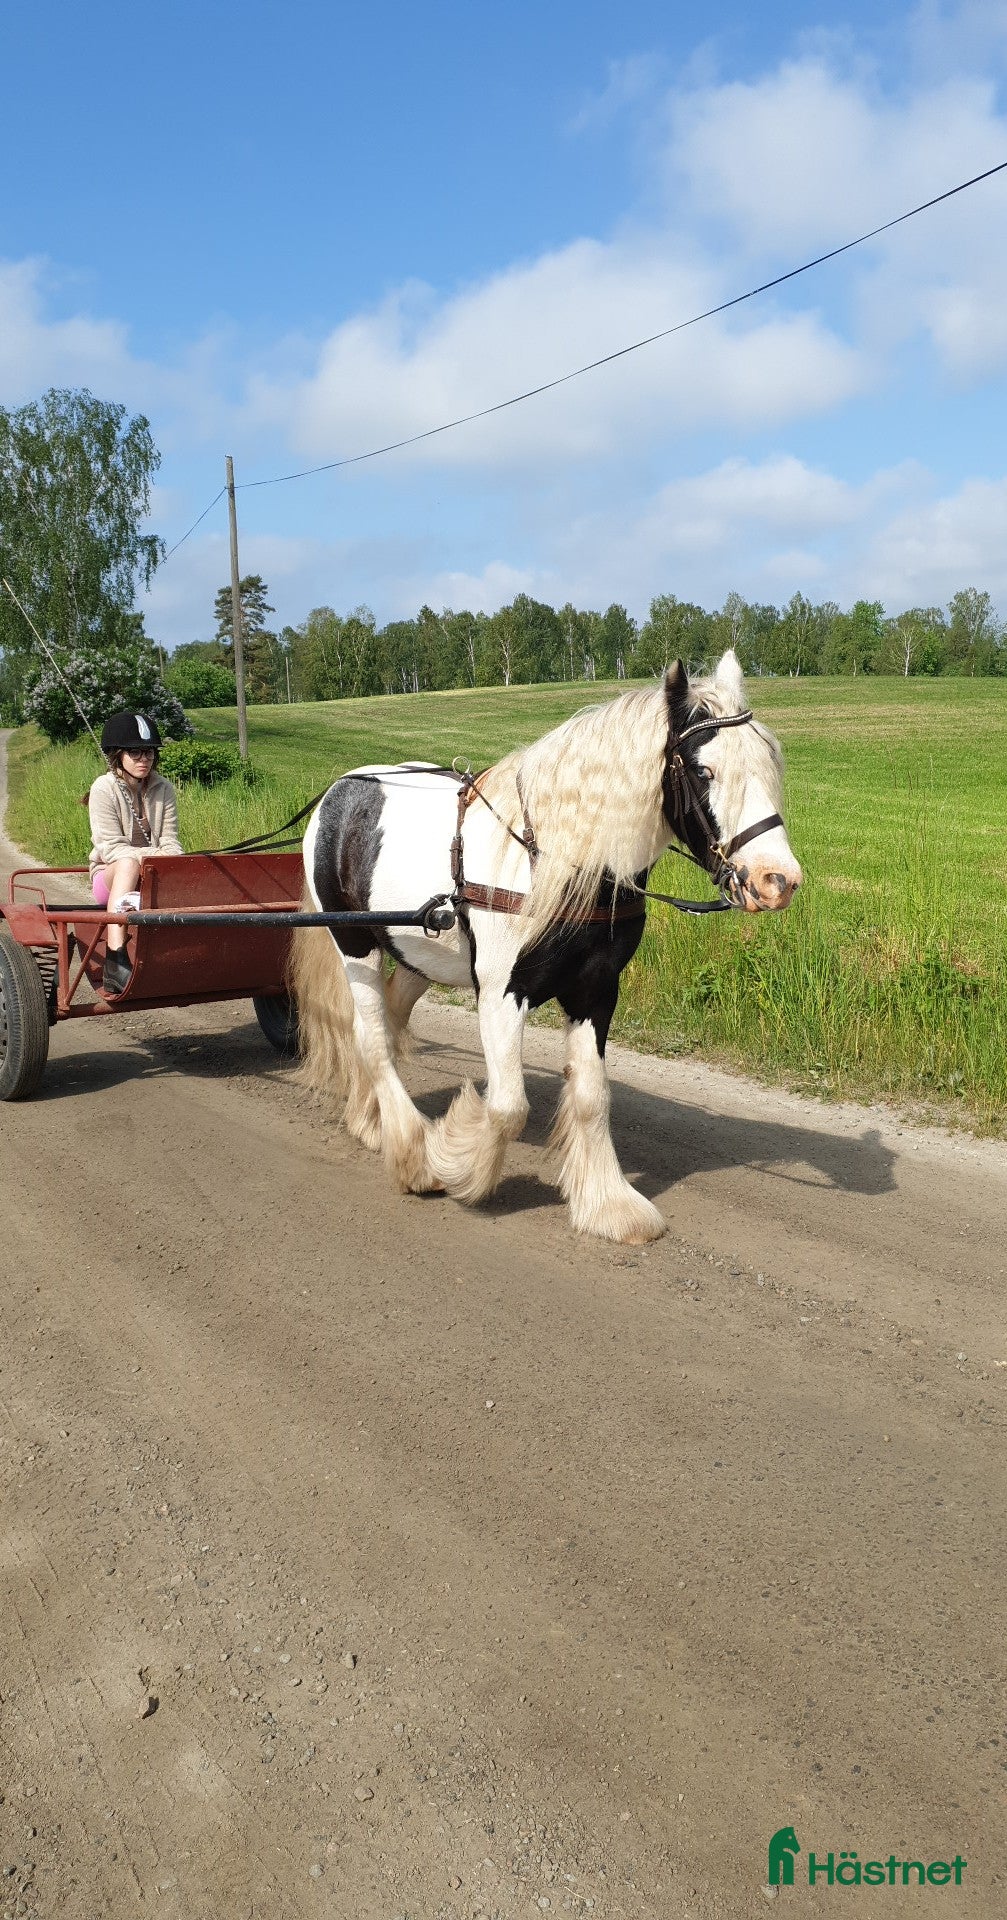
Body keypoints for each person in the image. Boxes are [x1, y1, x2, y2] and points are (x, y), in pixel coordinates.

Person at [88, 712, 183, 994]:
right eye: (135, 752)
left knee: (186, 868)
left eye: (150, 752)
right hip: (109, 877)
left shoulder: (163, 788)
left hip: (153, 875)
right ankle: (115, 958)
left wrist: (159, 857)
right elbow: (111, 849)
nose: (144, 759)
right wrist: (156, 855)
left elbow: (173, 845)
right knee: (128, 862)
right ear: (118, 755)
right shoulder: (103, 788)